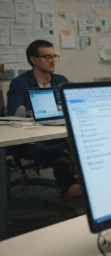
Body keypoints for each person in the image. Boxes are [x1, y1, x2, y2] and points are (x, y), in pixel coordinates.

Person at [6, 40, 80, 199]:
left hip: (58, 133)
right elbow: (14, 113)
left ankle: (81, 187)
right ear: (33, 59)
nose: (52, 60)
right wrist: (38, 114)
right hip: (32, 139)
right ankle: (69, 189)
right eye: (47, 57)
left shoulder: (60, 80)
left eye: (54, 56)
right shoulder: (19, 83)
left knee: (77, 145)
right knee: (63, 153)